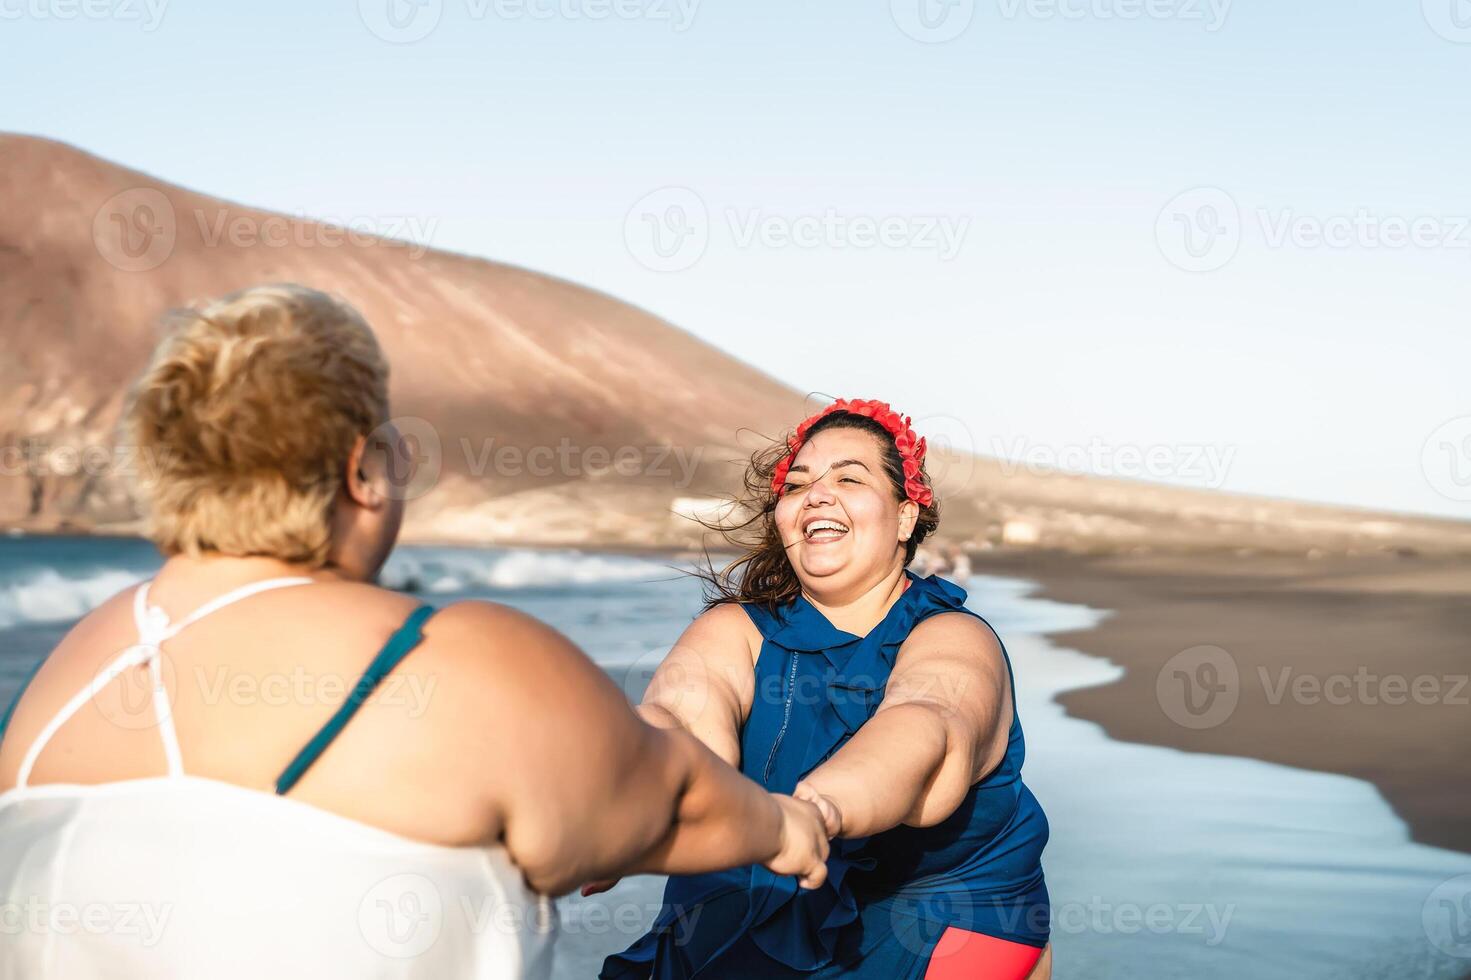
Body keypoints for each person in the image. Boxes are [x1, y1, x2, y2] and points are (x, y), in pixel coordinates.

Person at [0, 284, 830, 978]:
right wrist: (788, 828)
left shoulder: (65, 674)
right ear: (362, 470)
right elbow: (674, 801)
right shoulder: (462, 662)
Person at [599, 398, 1053, 979]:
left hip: (930, 929)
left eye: (849, 478)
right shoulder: (735, 630)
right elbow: (680, 716)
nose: (817, 494)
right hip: (747, 908)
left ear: (906, 517)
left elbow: (924, 725)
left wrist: (816, 812)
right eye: (799, 484)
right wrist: (626, 794)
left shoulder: (955, 639)